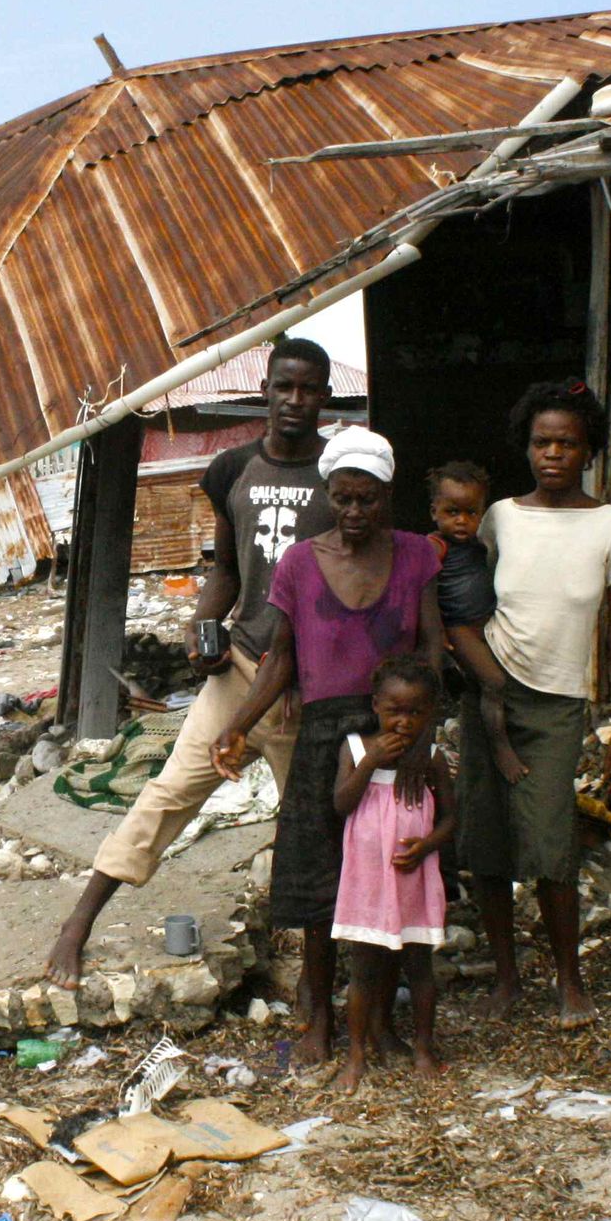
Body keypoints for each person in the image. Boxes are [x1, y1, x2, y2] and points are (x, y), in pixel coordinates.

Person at [47, 336, 337, 988]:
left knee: (313, 830)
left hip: (306, 687)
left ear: (324, 395)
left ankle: (322, 978)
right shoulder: (233, 469)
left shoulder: (339, 472)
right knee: (169, 794)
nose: (295, 400)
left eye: (308, 389)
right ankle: (77, 925)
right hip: (240, 671)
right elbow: (228, 572)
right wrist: (202, 624)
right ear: (264, 389)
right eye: (283, 386)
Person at [212, 425, 442, 1064]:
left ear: (386, 497)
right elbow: (281, 658)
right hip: (322, 736)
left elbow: (430, 647)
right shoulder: (299, 563)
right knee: (320, 882)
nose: (354, 511)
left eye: (367, 499)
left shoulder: (418, 555)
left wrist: (420, 737)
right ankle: (319, 1016)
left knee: (390, 871)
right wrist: (237, 723)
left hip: (391, 733)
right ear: (328, 496)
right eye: (342, 498)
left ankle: (380, 1024)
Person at [462, 379, 611, 1030]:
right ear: (526, 447)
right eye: (541, 442)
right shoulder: (500, 517)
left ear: (588, 448)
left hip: (560, 703)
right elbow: (466, 598)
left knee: (551, 845)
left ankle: (570, 980)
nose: (552, 454)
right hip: (491, 698)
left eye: (566, 443)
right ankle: (507, 978)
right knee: (486, 841)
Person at [329, 655, 455, 1091]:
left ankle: (423, 1048)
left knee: (420, 967)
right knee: (363, 970)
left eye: (416, 713)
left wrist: (426, 847)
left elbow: (452, 820)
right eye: (395, 711)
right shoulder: (356, 748)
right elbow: (341, 804)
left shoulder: (432, 758)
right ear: (376, 705)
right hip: (367, 881)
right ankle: (356, 1055)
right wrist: (369, 763)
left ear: (431, 713)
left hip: (413, 879)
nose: (404, 722)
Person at [427, 461, 526, 788]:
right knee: (494, 682)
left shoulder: (480, 546)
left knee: (501, 682)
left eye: (471, 513)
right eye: (452, 512)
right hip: (458, 628)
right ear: (435, 512)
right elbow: (421, 592)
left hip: (487, 625)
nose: (462, 520)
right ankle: (501, 748)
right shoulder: (433, 547)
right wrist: (438, 633)